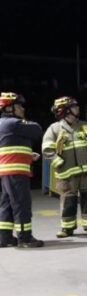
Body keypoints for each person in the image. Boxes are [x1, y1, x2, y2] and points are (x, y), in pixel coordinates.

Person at [42, 96, 87, 238]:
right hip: (67, 175)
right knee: (69, 201)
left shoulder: (85, 126)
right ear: (66, 111)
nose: (78, 108)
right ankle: (67, 228)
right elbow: (47, 150)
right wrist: (59, 163)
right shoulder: (54, 129)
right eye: (74, 106)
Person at [0, 92, 44, 248]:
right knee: (21, 204)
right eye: (19, 105)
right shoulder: (13, 123)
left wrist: (27, 155)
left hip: (7, 172)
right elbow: (37, 130)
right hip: (16, 172)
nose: (22, 108)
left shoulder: (3, 124)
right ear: (9, 108)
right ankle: (25, 238)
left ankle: (4, 237)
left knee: (7, 205)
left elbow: (10, 147)